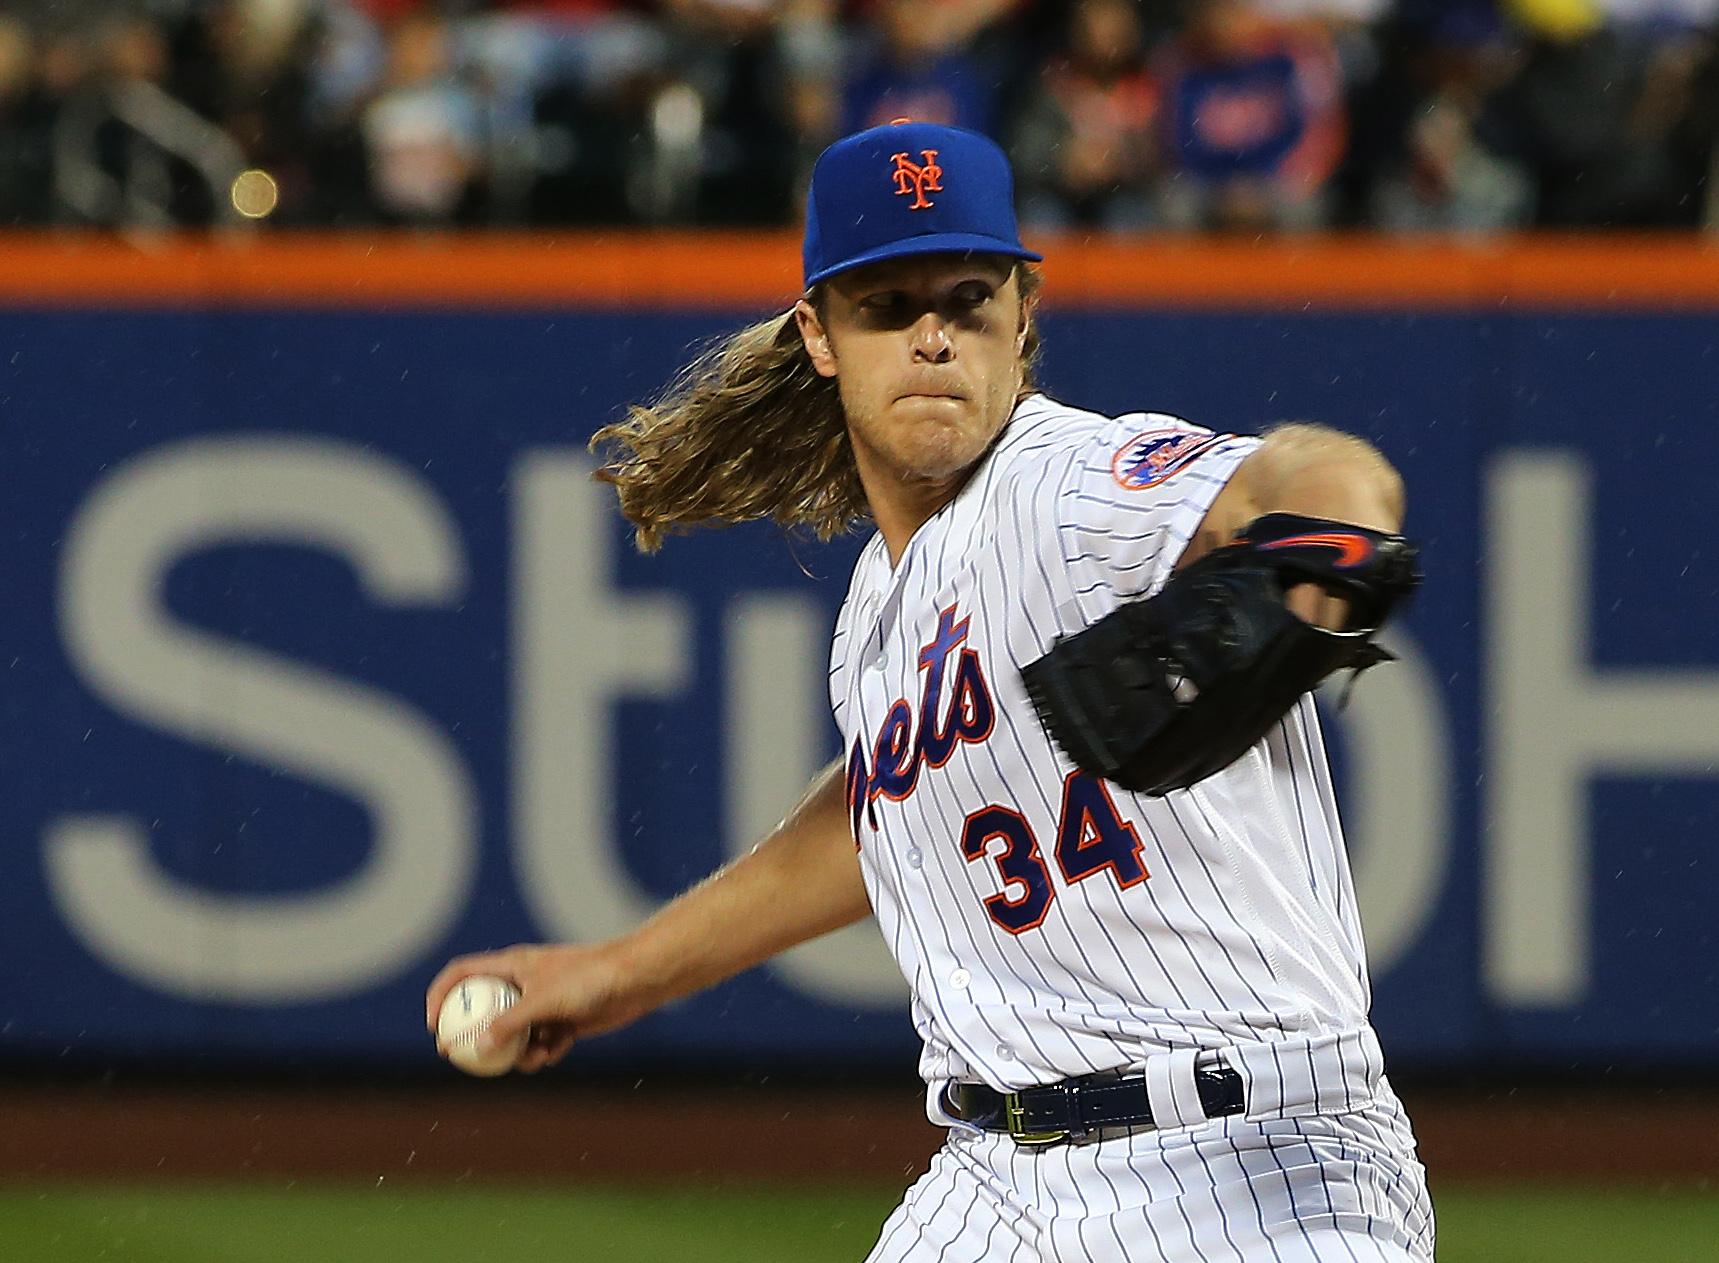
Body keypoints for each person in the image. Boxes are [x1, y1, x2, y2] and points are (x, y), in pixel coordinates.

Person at [427, 119, 1435, 1262]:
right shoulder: (874, 616)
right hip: (991, 1181)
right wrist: (612, 975)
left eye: (966, 298)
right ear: (818, 334)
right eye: (887, 305)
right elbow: (881, 819)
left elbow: (1323, 477)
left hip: (1251, 1159)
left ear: (1022, 320)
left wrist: (1313, 564)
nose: (933, 336)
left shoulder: (1070, 483)